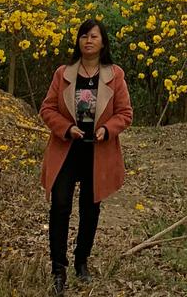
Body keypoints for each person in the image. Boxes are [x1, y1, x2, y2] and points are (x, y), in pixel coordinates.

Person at [39, 19, 133, 294]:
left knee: (90, 209)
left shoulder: (114, 75)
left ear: (103, 42)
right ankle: (58, 268)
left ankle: (82, 261)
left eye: (93, 36)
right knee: (60, 206)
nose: (88, 40)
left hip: (98, 150)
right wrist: (66, 128)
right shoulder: (63, 73)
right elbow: (47, 109)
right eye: (83, 36)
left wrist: (108, 129)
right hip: (67, 147)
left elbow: (125, 113)